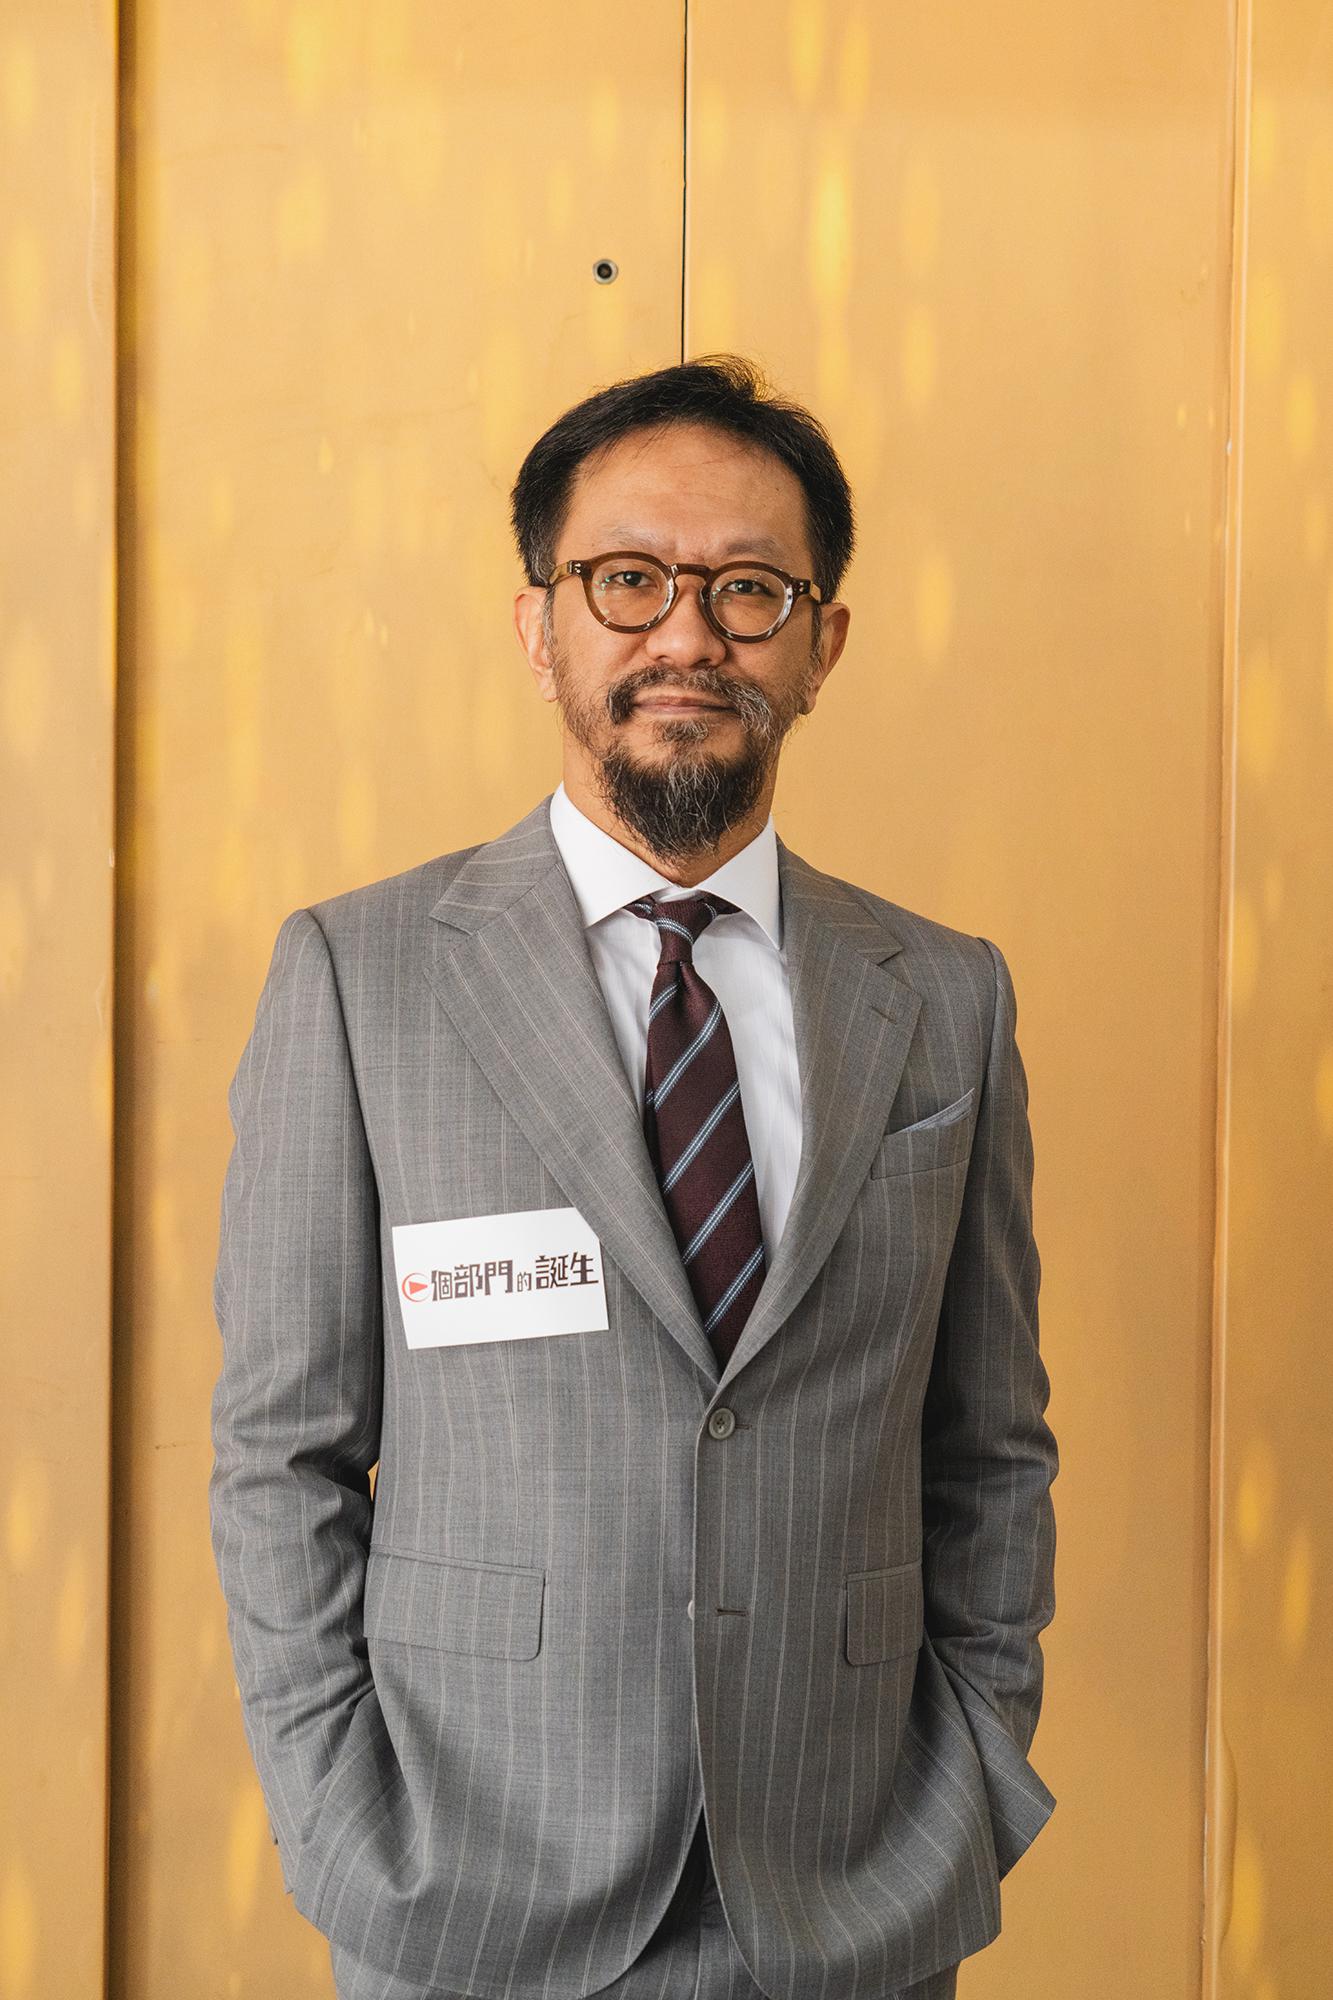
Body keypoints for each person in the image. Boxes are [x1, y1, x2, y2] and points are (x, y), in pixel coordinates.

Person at [208, 354, 1058, 2000]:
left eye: (747, 591)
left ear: (819, 646)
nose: (687, 636)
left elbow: (989, 1446)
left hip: (853, 1891)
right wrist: (336, 1821)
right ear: (542, 628)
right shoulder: (360, 978)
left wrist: (966, 1781)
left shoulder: (946, 996)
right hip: (464, 1891)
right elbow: (281, 1451)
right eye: (626, 582)